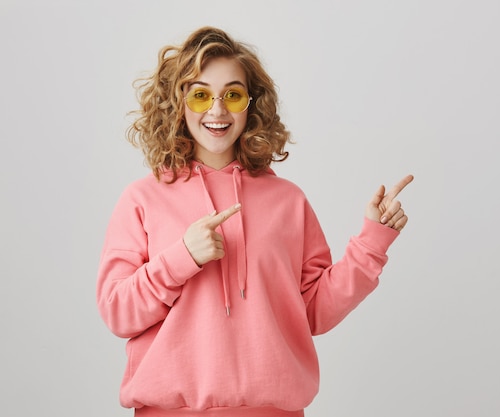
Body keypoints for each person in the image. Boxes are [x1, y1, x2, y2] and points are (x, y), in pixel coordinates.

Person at [96, 26, 413, 417]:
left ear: (251, 103)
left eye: (232, 94)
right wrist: (181, 258)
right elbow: (117, 311)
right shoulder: (142, 199)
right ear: (177, 104)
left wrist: (371, 242)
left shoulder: (288, 200)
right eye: (200, 95)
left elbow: (313, 311)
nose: (217, 110)